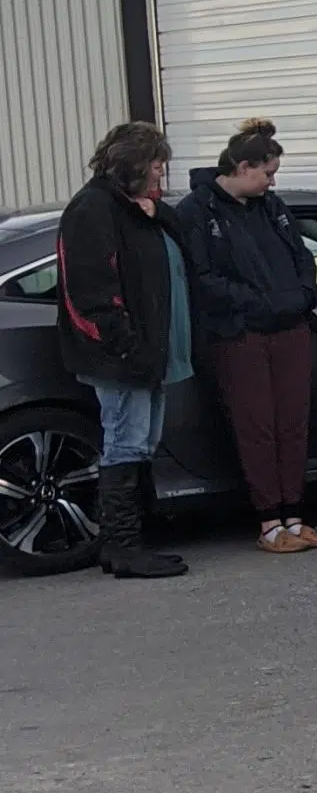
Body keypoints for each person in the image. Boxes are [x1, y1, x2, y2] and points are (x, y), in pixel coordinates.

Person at [168, 118, 317, 553]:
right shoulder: (197, 212)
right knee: (257, 427)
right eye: (267, 173)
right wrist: (261, 304)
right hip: (239, 334)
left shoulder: (271, 208)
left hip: (289, 328)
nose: (271, 182)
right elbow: (203, 278)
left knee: (293, 424)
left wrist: (303, 295)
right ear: (242, 166)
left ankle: (295, 516)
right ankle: (269, 521)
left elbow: (301, 255)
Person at [55, 121, 192, 579]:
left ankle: (127, 543)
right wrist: (125, 344)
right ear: (133, 164)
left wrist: (155, 210)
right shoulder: (92, 210)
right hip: (122, 357)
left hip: (147, 354)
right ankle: (123, 546)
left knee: (141, 442)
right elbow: (90, 289)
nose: (161, 177)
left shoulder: (133, 207)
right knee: (125, 442)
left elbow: (179, 237)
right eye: (156, 167)